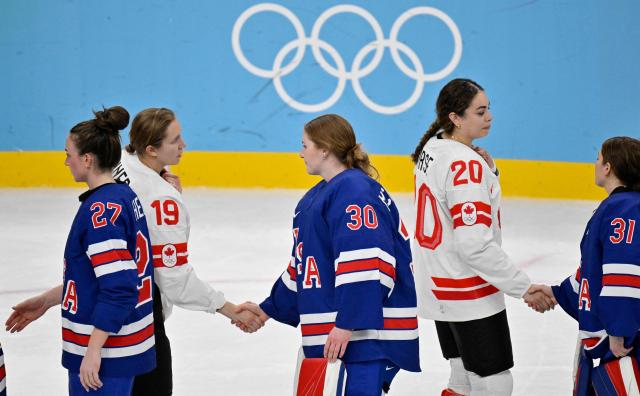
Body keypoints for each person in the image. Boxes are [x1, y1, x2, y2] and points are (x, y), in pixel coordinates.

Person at [235, 114, 421, 395]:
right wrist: (266, 310)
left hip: (363, 339)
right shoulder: (317, 197)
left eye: (305, 145)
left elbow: (367, 263)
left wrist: (348, 324)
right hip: (343, 337)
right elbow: (305, 266)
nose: (300, 153)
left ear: (324, 149)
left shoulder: (355, 192)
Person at [410, 78, 554, 396]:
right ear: (455, 118)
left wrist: (488, 172)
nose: (488, 117)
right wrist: (523, 287)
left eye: (488, 109)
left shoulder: (432, 149)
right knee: (494, 381)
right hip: (466, 289)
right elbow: (474, 244)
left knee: (461, 376)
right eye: (479, 111)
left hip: (436, 283)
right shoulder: (465, 164)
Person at [112, 107, 264, 396]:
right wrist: (229, 309)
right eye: (175, 140)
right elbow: (175, 280)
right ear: (151, 149)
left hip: (103, 299)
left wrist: (160, 177)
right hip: (140, 315)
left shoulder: (120, 158)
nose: (184, 145)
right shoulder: (162, 201)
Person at [5, 106, 156, 394]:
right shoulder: (123, 195)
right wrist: (48, 300)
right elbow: (101, 276)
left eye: (68, 154)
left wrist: (93, 350)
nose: (65, 162)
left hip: (107, 356)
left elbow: (120, 288)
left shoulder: (100, 214)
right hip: (119, 348)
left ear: (86, 159)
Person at [533, 137, 640, 395]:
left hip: (620, 345)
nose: (595, 163)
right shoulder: (618, 207)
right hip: (607, 339)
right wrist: (557, 293)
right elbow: (594, 270)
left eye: (598, 158)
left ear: (608, 167)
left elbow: (623, 272)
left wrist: (619, 331)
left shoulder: (624, 209)